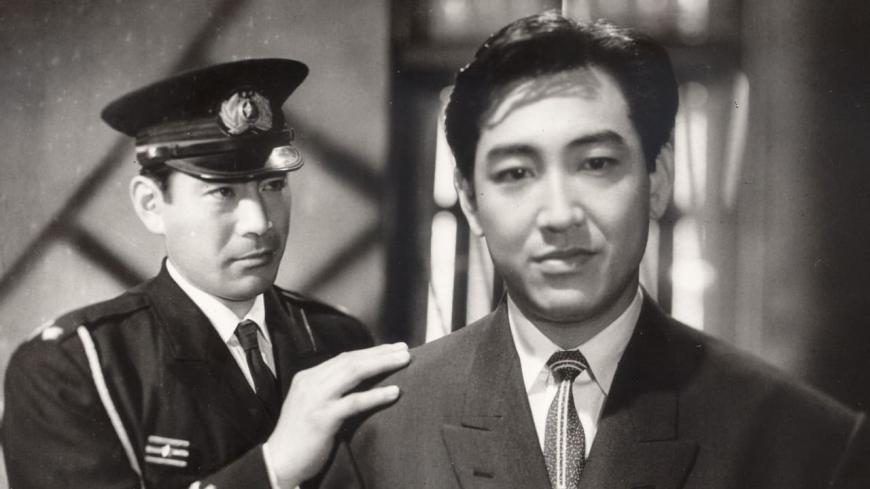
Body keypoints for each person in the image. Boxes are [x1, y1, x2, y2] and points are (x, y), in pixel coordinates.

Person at [318, 12, 870, 489]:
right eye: (516, 173)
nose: (560, 215)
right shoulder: (379, 432)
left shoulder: (808, 444)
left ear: (658, 179)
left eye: (596, 164)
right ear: (470, 200)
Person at [1, 59, 410, 489]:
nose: (259, 222)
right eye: (222, 191)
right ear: (151, 205)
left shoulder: (340, 339)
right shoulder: (75, 369)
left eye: (272, 185)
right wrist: (272, 467)